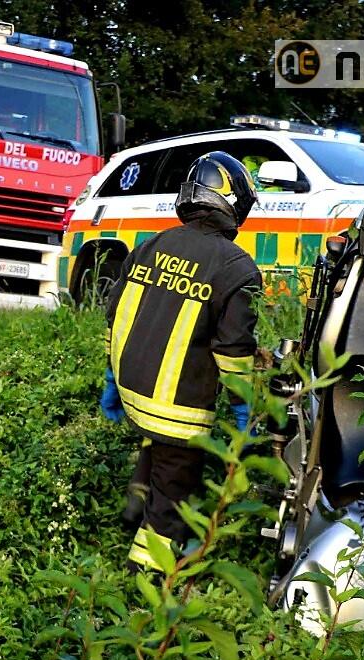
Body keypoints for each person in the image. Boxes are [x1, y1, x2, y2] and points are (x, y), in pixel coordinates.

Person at [101, 151, 261, 572]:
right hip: (178, 410)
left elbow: (115, 313)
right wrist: (244, 406)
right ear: (234, 203)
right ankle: (147, 572)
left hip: (133, 391)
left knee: (157, 446)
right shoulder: (236, 267)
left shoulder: (152, 244)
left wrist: (109, 376)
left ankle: (136, 500)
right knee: (175, 486)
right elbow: (233, 350)